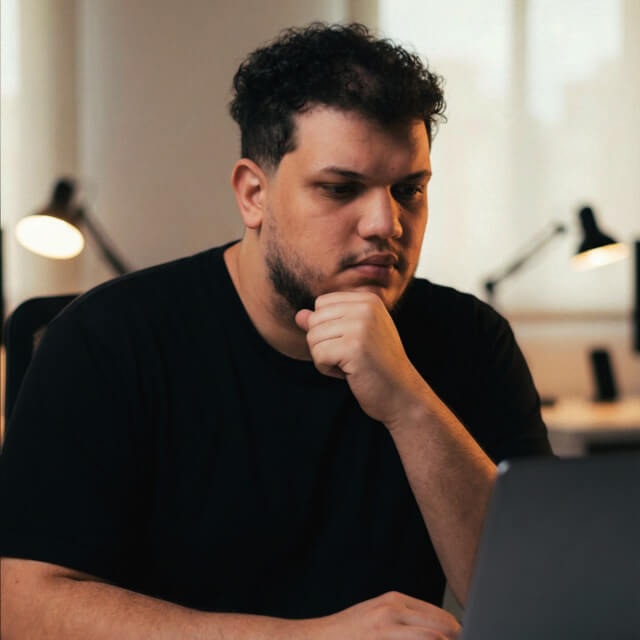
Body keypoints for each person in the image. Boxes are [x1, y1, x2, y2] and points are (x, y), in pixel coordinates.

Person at [0, 22, 552, 640]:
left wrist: (409, 405)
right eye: (340, 188)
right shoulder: (107, 340)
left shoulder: (471, 339)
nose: (386, 223)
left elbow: (541, 602)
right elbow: (20, 604)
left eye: (409, 190)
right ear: (253, 194)